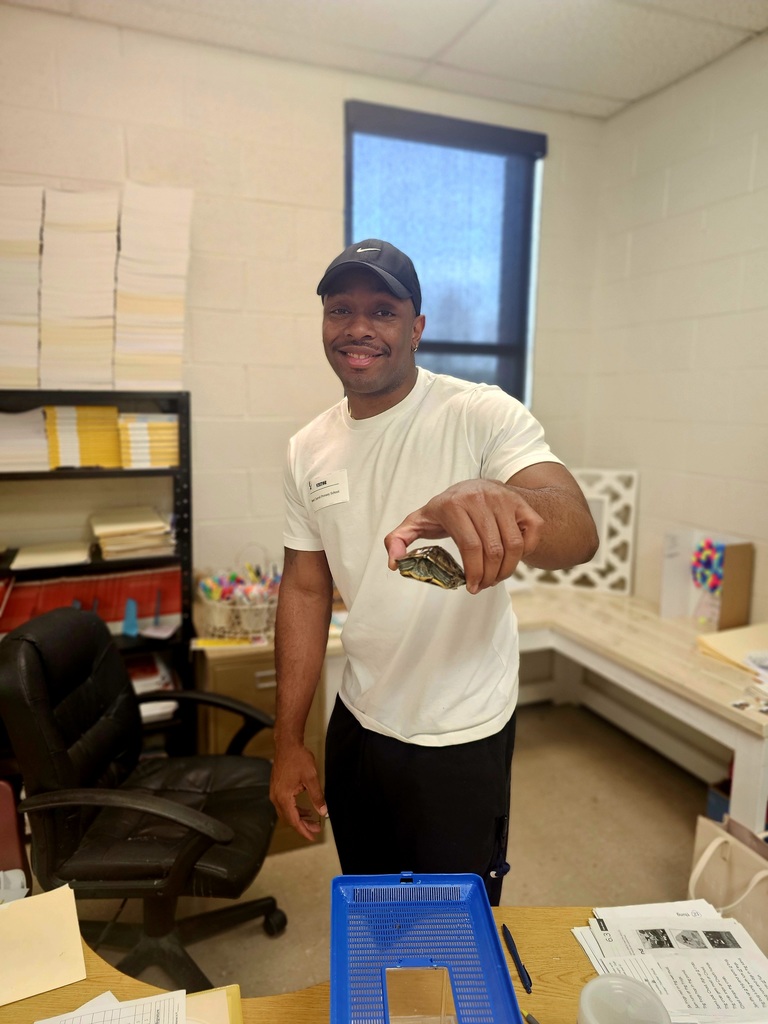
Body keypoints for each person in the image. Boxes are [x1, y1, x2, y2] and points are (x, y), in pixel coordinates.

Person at [270, 239, 598, 903]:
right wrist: (287, 739)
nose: (358, 327)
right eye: (341, 309)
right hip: (359, 723)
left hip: (461, 729)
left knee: (455, 925)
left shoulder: (480, 413)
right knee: (370, 901)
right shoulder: (308, 448)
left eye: (383, 311)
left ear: (416, 327)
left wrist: (511, 500)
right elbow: (305, 590)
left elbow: (578, 532)